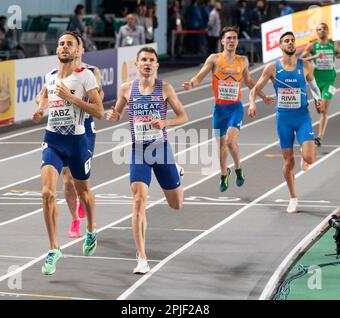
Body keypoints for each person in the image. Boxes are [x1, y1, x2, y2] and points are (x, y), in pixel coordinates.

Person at [106, 47, 188, 274]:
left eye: (152, 60)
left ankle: (176, 171)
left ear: (157, 65)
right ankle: (141, 257)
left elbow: (183, 116)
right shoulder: (126, 89)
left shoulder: (165, 88)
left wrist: (165, 123)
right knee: (139, 200)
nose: (147, 63)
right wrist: (112, 115)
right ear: (136, 64)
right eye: (143, 60)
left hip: (161, 149)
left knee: (176, 204)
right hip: (139, 150)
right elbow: (117, 114)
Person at [32, 31, 104, 275]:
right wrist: (40, 108)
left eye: (69, 44)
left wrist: (71, 97)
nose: (64, 47)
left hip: (76, 143)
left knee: (84, 191)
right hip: (52, 140)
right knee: (46, 194)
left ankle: (92, 229)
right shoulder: (50, 76)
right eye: (61, 43)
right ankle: (53, 248)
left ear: (77, 50)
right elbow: (45, 95)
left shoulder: (86, 77)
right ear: (57, 50)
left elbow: (99, 111)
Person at [183, 26, 273, 193]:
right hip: (219, 110)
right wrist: (191, 83)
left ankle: (238, 168)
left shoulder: (243, 61)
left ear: (237, 41)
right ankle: (224, 173)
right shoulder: (215, 59)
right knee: (221, 147)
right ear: (222, 41)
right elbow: (200, 75)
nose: (231, 41)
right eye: (228, 38)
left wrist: (263, 96)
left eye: (234, 38)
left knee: (230, 142)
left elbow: (249, 83)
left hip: (235, 109)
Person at [248, 31, 324, 213]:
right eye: (286, 41)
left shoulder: (305, 65)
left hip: (302, 116)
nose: (290, 43)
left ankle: (304, 149)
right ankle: (293, 197)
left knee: (309, 158)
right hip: (284, 119)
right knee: (288, 161)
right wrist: (252, 104)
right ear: (280, 46)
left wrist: (317, 99)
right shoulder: (272, 68)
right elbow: (254, 89)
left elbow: (314, 87)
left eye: (292, 40)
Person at [301, 23, 340, 147]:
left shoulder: (333, 44)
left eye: (324, 29)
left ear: (327, 31)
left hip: (330, 81)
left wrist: (337, 54)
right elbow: (301, 59)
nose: (322, 30)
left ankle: (319, 137)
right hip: (316, 82)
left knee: (323, 109)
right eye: (319, 29)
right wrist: (315, 56)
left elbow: (339, 54)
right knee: (319, 109)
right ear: (317, 32)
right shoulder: (313, 46)